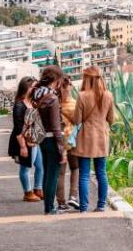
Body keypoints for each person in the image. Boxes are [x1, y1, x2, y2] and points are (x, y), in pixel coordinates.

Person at [73, 66, 114, 212]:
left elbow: (77, 120)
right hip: (102, 137)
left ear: (87, 78)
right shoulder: (108, 95)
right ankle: (101, 206)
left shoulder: (82, 95)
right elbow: (112, 119)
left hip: (85, 137)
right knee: (101, 173)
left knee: (84, 174)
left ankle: (84, 207)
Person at [33, 64, 67, 215]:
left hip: (41, 139)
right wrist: (62, 148)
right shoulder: (52, 98)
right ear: (57, 80)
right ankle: (50, 208)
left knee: (47, 172)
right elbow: (56, 127)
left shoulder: (36, 94)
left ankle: (48, 206)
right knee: (53, 175)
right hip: (52, 140)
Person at [8, 76, 43, 202]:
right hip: (24, 140)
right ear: (26, 88)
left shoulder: (32, 102)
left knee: (40, 165)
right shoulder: (19, 105)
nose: (35, 89)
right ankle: (27, 192)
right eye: (33, 87)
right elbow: (18, 128)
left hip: (33, 139)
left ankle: (37, 189)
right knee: (25, 167)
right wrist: (23, 146)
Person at [56, 75, 80, 210]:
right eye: (71, 84)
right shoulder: (72, 103)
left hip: (58, 140)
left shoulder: (55, 102)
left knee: (60, 173)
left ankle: (61, 202)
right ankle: (73, 196)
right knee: (75, 169)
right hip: (71, 140)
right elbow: (78, 120)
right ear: (68, 86)